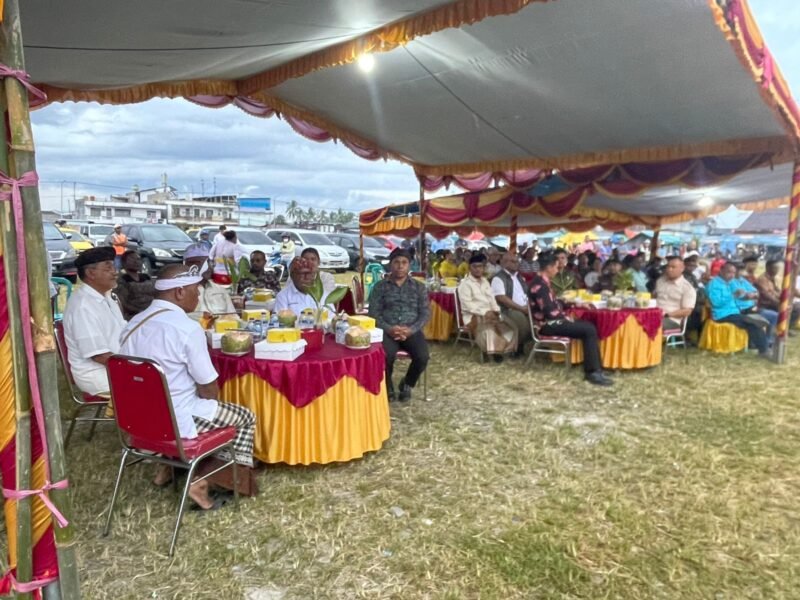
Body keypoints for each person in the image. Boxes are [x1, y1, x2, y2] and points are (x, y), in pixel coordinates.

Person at [119, 264, 256, 510]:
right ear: (180, 292)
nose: (199, 295)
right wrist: (214, 406)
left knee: (180, 401)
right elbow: (207, 385)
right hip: (175, 421)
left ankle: (166, 468)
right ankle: (204, 481)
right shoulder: (187, 328)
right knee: (245, 417)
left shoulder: (133, 323)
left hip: (137, 420)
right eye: (196, 289)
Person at [528, 252, 613, 386]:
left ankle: (596, 369)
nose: (557, 270)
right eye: (556, 267)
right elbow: (550, 313)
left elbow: (555, 303)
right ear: (549, 267)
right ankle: (592, 372)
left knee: (589, 327)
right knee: (589, 329)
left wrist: (575, 304)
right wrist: (567, 318)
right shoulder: (539, 286)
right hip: (547, 325)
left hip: (552, 321)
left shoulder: (542, 282)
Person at [62, 246, 126, 395]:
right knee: (159, 387)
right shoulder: (83, 307)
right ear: (91, 273)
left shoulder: (107, 297)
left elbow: (125, 332)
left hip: (115, 366)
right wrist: (134, 367)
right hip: (98, 375)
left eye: (114, 266)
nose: (115, 272)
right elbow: (99, 355)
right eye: (108, 268)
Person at [368, 248, 430, 402]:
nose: (400, 266)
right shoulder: (380, 287)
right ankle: (388, 386)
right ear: (390, 264)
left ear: (409, 265)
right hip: (387, 331)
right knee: (385, 356)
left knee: (422, 357)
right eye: (396, 262)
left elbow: (425, 314)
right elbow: (373, 313)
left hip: (411, 330)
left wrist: (411, 330)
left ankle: (407, 383)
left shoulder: (419, 287)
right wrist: (389, 329)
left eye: (404, 262)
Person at [457, 255, 517, 361]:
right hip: (473, 316)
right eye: (475, 266)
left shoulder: (485, 281)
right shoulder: (465, 284)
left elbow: (492, 299)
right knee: (488, 328)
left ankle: (504, 350)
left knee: (511, 325)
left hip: (490, 312)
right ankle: (492, 353)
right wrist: (485, 312)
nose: (477, 269)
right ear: (469, 268)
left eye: (480, 266)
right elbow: (467, 305)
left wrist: (496, 310)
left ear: (483, 268)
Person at [706, 262, 769, 356]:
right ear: (721, 271)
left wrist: (746, 295)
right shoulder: (713, 284)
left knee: (754, 321)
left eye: (733, 273)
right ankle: (764, 350)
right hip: (722, 315)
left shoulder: (730, 282)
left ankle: (761, 346)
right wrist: (733, 295)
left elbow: (740, 295)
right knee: (753, 323)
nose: (732, 275)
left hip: (735, 312)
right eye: (729, 272)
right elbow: (716, 303)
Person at [184, 244, 236, 320]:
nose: (210, 267)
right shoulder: (182, 291)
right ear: (190, 265)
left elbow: (233, 316)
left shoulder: (219, 288)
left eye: (211, 262)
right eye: (206, 262)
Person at [491, 252, 532, 349]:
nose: (517, 264)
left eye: (517, 261)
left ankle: (538, 344)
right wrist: (521, 308)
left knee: (539, 317)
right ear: (505, 263)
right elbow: (501, 298)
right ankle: (516, 347)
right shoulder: (498, 278)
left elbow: (526, 292)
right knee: (521, 321)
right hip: (507, 310)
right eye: (513, 261)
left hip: (525, 307)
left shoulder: (519, 276)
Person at [731, 263, 777, 344]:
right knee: (758, 319)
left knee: (774, 316)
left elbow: (756, 292)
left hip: (752, 308)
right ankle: (757, 342)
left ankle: (768, 340)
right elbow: (743, 296)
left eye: (741, 270)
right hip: (741, 310)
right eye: (738, 270)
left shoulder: (743, 280)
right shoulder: (731, 282)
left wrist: (751, 295)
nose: (740, 272)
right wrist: (749, 295)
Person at [654, 256, 696, 331]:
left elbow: (687, 311)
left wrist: (667, 314)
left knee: (652, 324)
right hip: (654, 315)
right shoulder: (660, 281)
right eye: (668, 266)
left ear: (682, 269)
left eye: (673, 267)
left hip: (672, 319)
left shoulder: (687, 288)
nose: (669, 269)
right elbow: (654, 297)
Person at [756, 259, 800, 331]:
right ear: (768, 267)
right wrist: (781, 304)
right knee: (792, 308)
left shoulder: (773, 279)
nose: (777, 270)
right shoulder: (762, 280)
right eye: (775, 268)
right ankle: (782, 328)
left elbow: (778, 291)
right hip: (766, 305)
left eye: (778, 268)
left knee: (797, 306)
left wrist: (785, 298)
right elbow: (768, 296)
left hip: (774, 303)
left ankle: (787, 327)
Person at [114, 250, 155, 320]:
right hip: (135, 316)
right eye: (132, 259)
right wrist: (141, 312)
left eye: (138, 259)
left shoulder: (146, 277)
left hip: (153, 312)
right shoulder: (122, 280)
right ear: (123, 263)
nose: (136, 262)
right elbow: (123, 303)